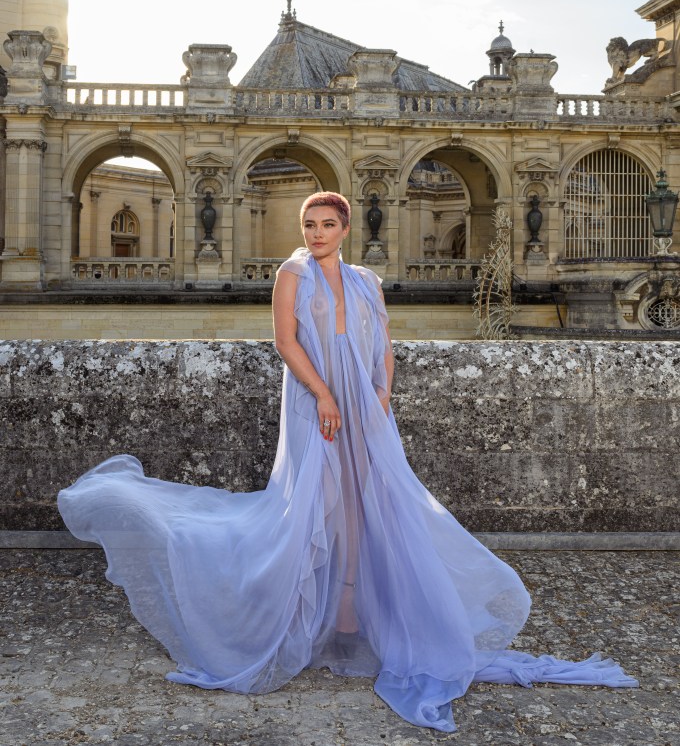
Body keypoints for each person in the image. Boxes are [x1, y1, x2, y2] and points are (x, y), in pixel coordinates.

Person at [58, 191, 637, 732]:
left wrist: (381, 393)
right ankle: (307, 609)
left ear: (345, 228)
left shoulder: (365, 280)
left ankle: (350, 606)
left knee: (369, 495)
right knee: (320, 496)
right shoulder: (291, 273)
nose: (316, 233)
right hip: (317, 397)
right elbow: (286, 341)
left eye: (327, 225)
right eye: (309, 225)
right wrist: (326, 395)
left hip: (363, 396)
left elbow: (383, 343)